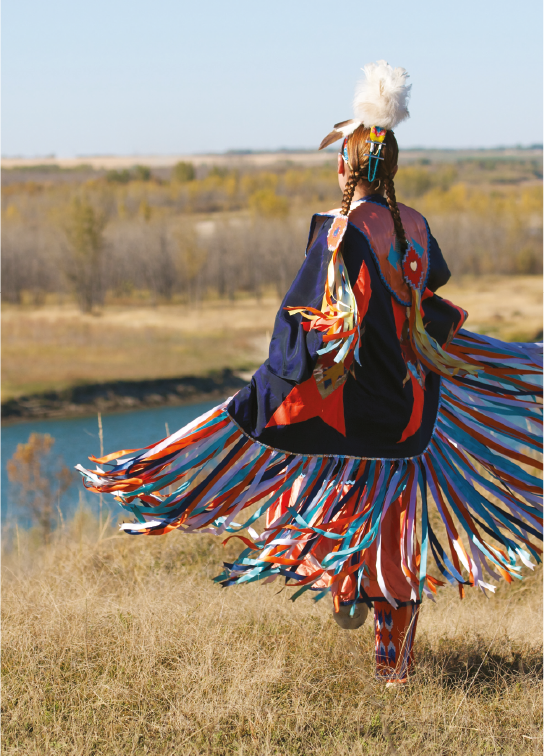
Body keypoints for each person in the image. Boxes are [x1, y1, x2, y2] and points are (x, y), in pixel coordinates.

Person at [78, 61, 544, 685]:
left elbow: (302, 322)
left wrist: (268, 388)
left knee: (332, 500)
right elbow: (426, 295)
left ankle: (346, 585)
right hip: (407, 411)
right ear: (391, 167)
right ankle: (393, 661)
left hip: (346, 409)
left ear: (346, 166)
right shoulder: (415, 225)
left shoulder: (336, 231)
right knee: (394, 527)